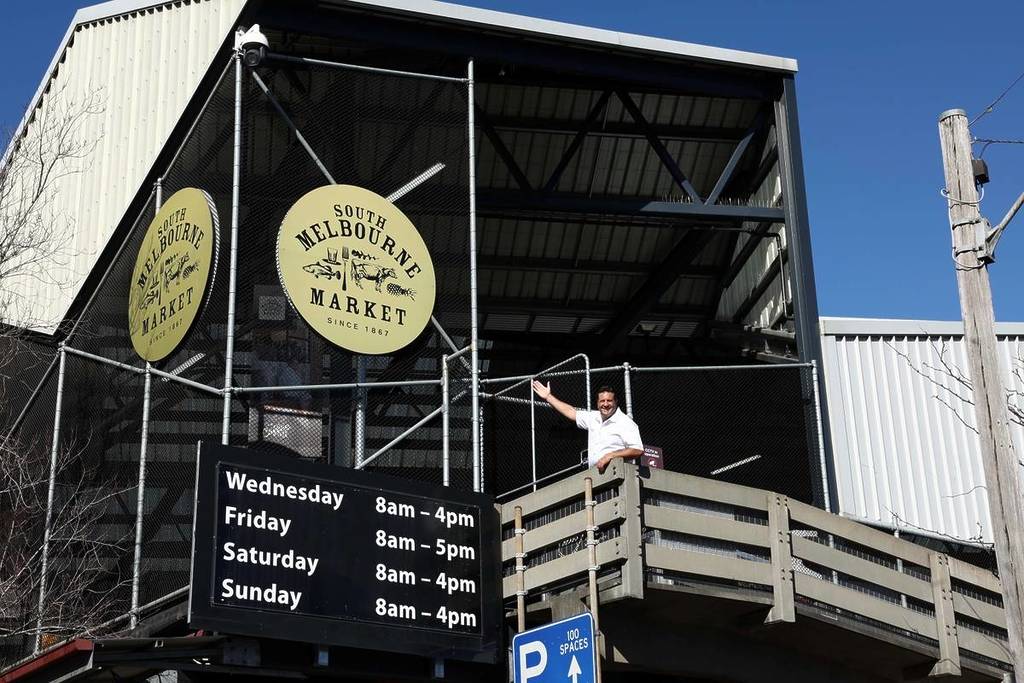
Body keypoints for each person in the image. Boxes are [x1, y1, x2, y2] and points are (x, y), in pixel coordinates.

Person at [531, 381, 643, 473]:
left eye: (609, 401)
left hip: (618, 477)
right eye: (602, 401)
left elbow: (637, 450)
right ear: (597, 403)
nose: (605, 404)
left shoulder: (625, 422)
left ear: (616, 402)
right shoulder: (593, 417)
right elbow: (571, 412)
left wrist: (611, 455)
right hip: (595, 477)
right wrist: (548, 397)